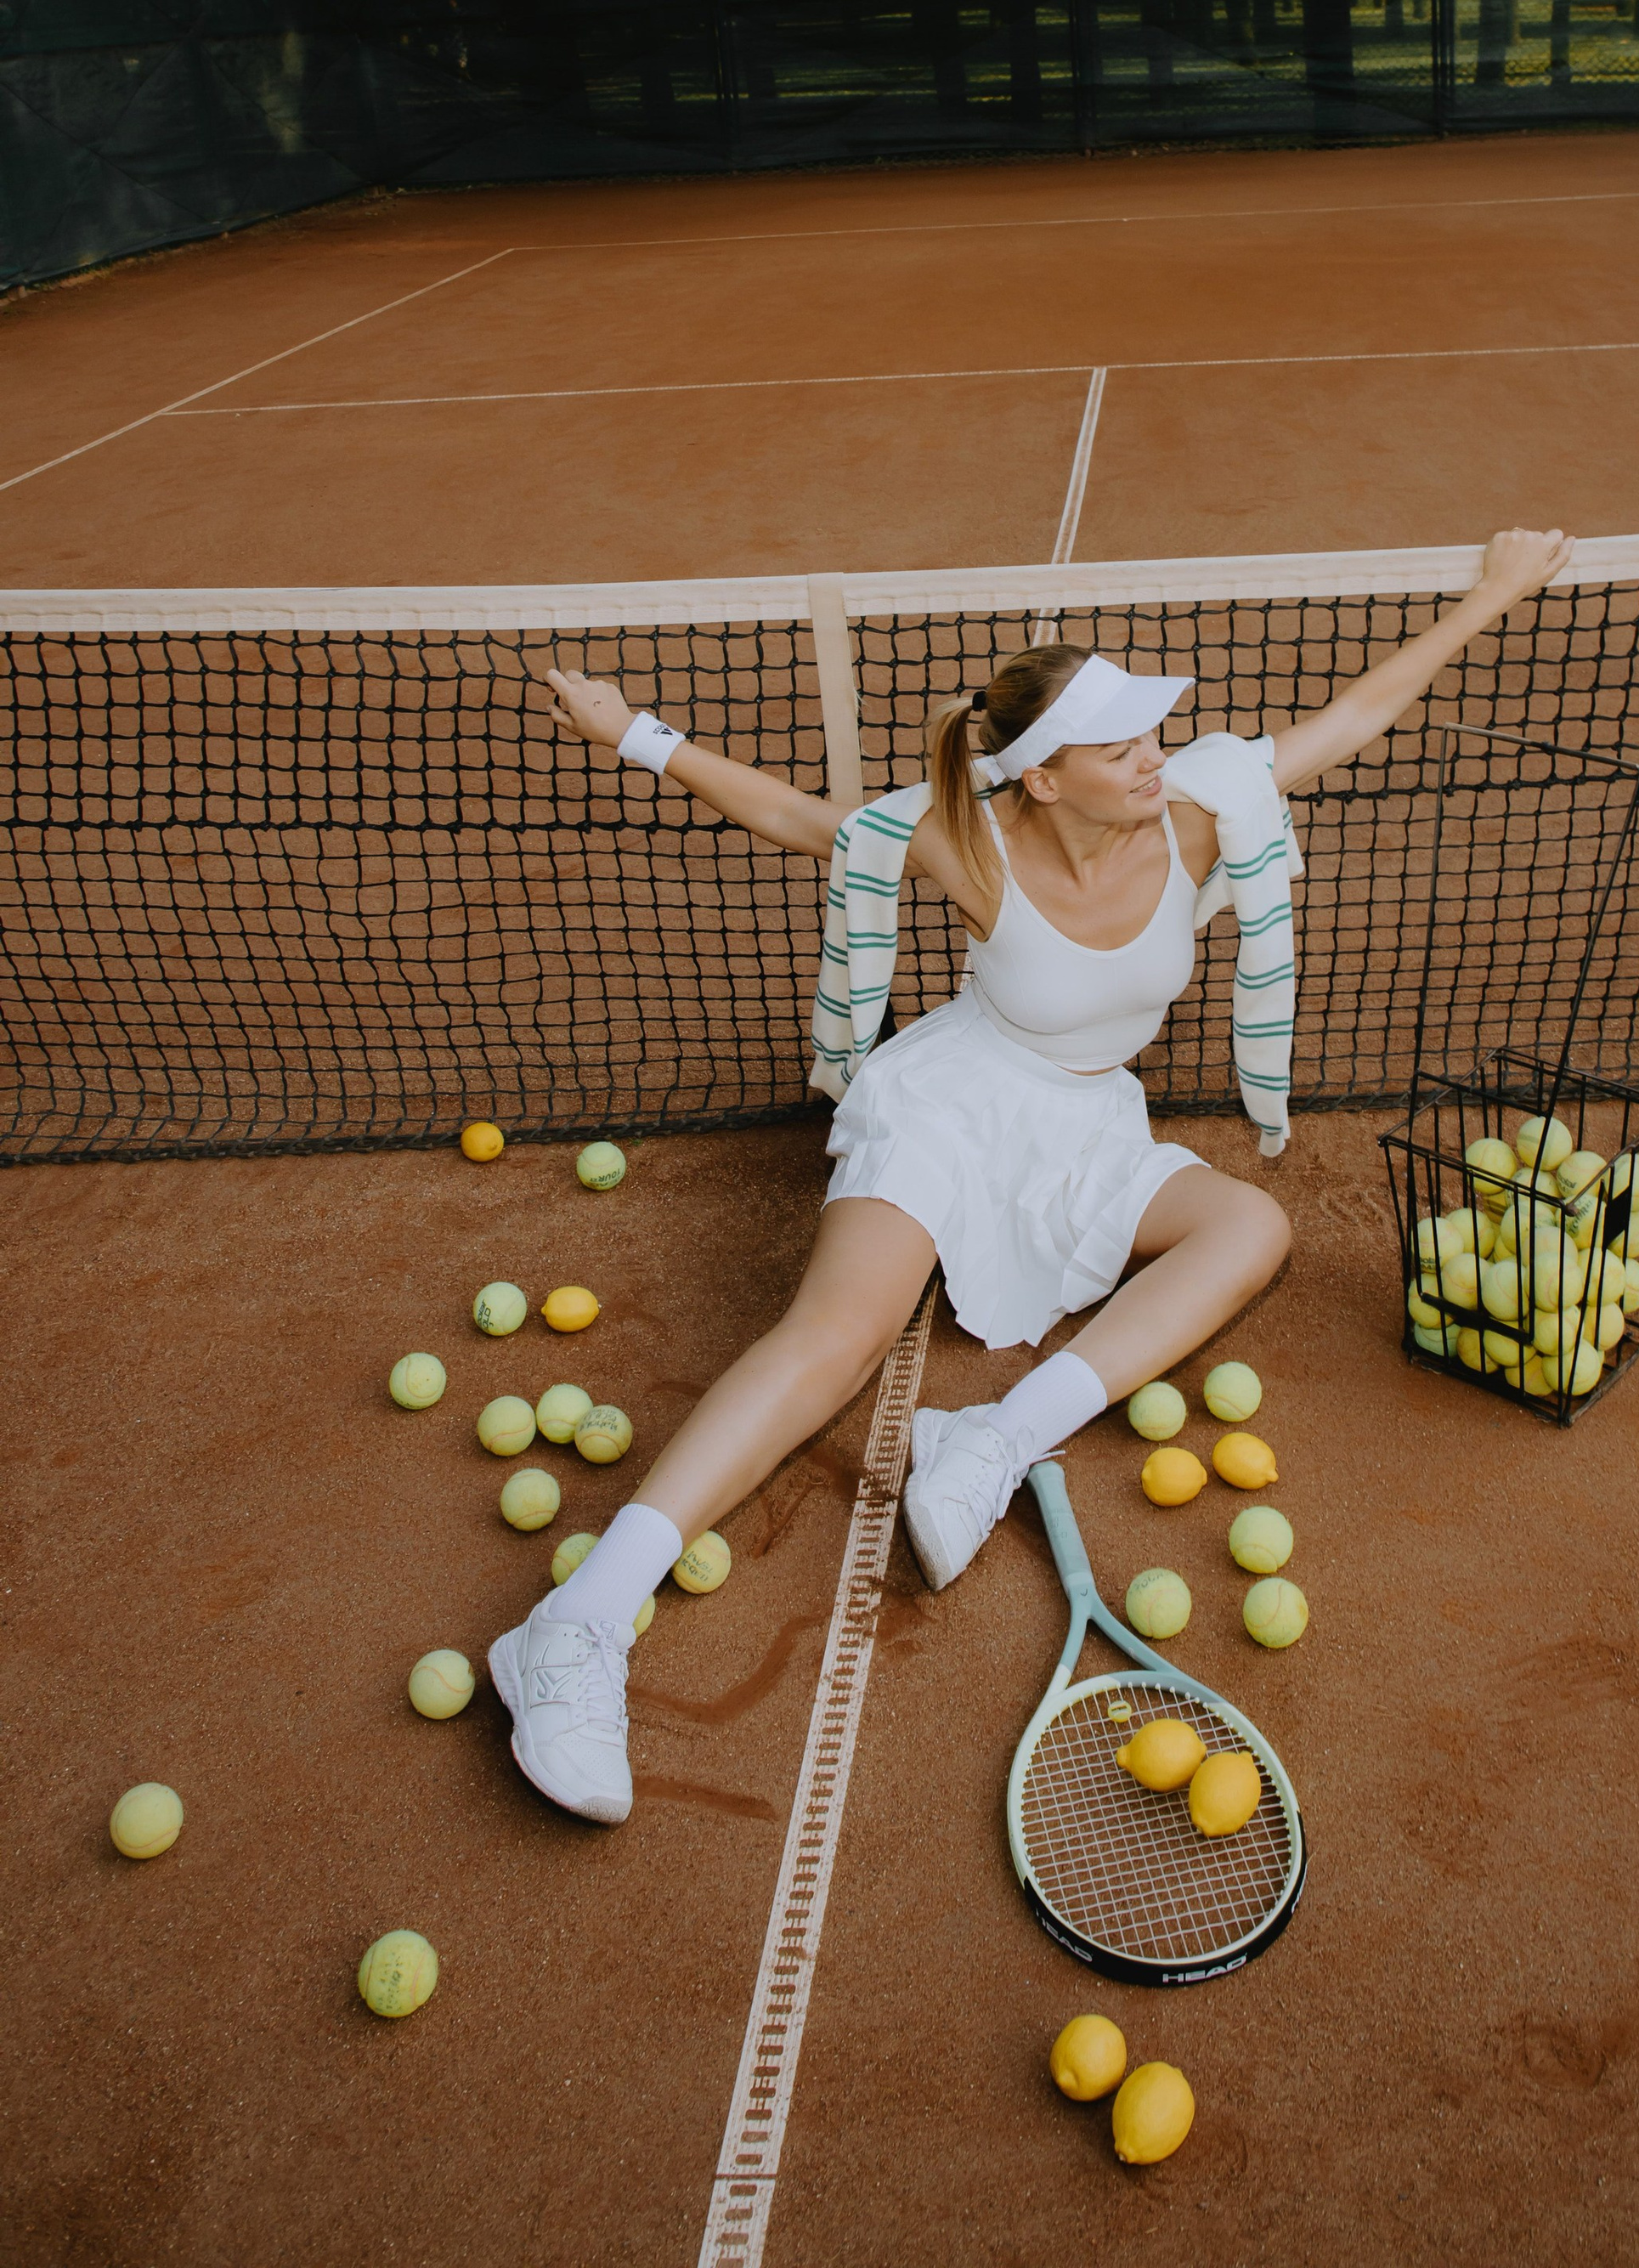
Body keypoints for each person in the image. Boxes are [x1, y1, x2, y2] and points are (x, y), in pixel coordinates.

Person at [489, 525, 1573, 1821]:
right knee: (838, 1335)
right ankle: (575, 1623)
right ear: (1042, 782)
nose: (1154, 751)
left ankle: (994, 1438)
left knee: (1250, 1231)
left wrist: (1495, 596)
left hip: (1086, 1123)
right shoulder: (971, 842)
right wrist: (636, 734)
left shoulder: (1198, 817)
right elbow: (798, 819)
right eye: (1119, 745)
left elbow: (1357, 715)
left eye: (1150, 732)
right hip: (952, 1101)